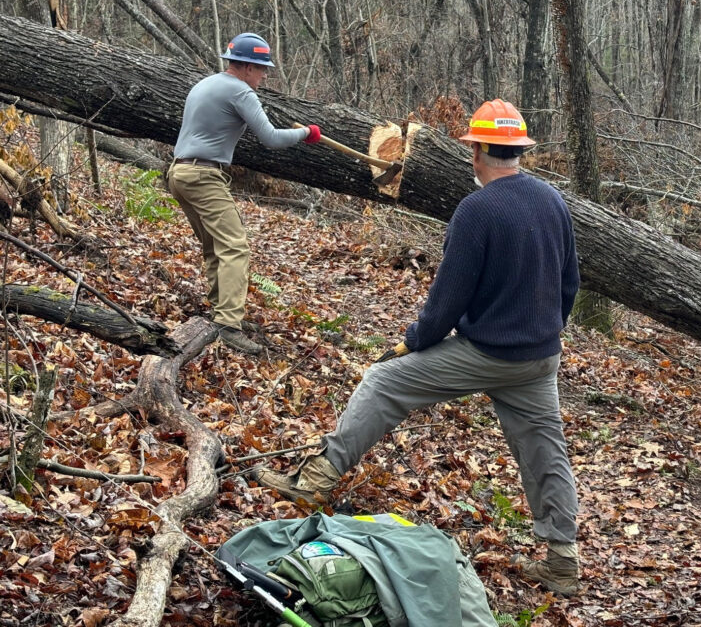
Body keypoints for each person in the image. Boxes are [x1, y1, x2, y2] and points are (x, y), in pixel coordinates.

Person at [258, 99, 583, 595]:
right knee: (545, 449)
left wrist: (413, 343)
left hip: (488, 354)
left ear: (476, 151)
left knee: (383, 382)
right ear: (518, 150)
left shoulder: (476, 210)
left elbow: (447, 300)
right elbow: (569, 281)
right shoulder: (553, 200)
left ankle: (315, 479)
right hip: (540, 358)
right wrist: (548, 329)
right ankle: (562, 560)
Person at [167, 32, 321, 355]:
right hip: (203, 176)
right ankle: (228, 326)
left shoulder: (205, 84)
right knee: (235, 246)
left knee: (214, 244)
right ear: (248, 67)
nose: (264, 76)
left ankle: (221, 311)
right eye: (262, 69)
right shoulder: (240, 91)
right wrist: (306, 133)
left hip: (179, 173)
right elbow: (271, 138)